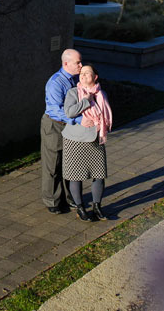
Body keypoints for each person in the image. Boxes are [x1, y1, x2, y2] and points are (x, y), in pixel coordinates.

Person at [62, 63, 113, 221]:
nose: (83, 76)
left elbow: (105, 114)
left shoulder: (101, 93)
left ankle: (97, 207)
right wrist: (86, 100)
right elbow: (69, 112)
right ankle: (80, 208)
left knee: (99, 175)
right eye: (81, 73)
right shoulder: (73, 92)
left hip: (96, 139)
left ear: (95, 77)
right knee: (76, 176)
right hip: (75, 140)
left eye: (87, 73)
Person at [41, 48, 83, 213]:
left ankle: (69, 197)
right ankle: (52, 201)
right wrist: (79, 120)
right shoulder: (56, 82)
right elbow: (56, 110)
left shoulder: (75, 79)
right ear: (66, 63)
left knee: (70, 162)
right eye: (77, 62)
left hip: (70, 126)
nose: (81, 65)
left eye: (80, 61)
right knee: (53, 164)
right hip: (54, 125)